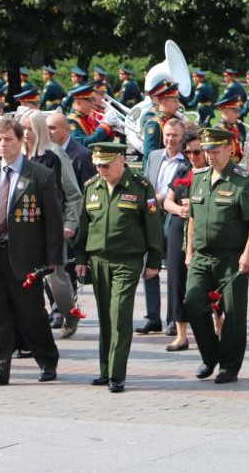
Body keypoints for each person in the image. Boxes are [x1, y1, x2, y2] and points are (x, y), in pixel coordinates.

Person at [0, 119, 64, 386]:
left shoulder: (39, 175)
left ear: (21, 141)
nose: (2, 145)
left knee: (31, 314)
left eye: (8, 139)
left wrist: (53, 258)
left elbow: (53, 221)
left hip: (26, 256)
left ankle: (47, 359)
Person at [73, 143, 164, 393]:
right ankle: (105, 369)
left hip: (128, 260)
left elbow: (153, 227)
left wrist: (154, 261)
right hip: (98, 261)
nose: (101, 169)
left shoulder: (140, 187)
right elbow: (84, 226)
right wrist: (80, 258)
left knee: (120, 314)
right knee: (105, 317)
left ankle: (117, 373)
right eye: (98, 165)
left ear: (121, 160)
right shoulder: (92, 187)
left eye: (106, 164)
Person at [183, 127, 249, 384]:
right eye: (207, 151)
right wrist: (190, 250)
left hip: (231, 257)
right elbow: (193, 217)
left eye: (215, 151)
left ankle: (229, 366)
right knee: (192, 303)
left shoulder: (244, 180)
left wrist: (248, 252)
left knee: (234, 313)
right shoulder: (199, 177)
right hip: (202, 256)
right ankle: (209, 356)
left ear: (230, 148)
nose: (210, 157)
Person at [20, 110, 84, 339]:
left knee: (55, 276)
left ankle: (69, 312)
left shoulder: (53, 155)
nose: (26, 133)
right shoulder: (17, 156)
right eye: (23, 128)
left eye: (30, 128)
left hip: (51, 225)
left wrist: (70, 222)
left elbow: (73, 193)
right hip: (23, 227)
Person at [143, 117, 187, 336]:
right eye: (167, 135)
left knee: (173, 269)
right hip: (151, 216)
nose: (170, 140)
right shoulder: (153, 156)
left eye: (175, 136)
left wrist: (161, 199)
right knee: (149, 265)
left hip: (174, 216)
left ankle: (173, 318)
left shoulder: (187, 160)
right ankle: (152, 317)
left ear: (182, 137)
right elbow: (144, 182)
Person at [162, 131, 205, 352]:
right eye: (187, 152)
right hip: (180, 229)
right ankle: (181, 334)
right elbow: (167, 202)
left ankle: (216, 329)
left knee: (207, 283)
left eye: (197, 152)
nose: (192, 156)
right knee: (177, 280)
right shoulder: (183, 171)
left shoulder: (212, 174)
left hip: (204, 232)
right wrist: (179, 209)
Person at [214, 94, 248, 163]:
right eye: (235, 112)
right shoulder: (218, 131)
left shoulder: (234, 127)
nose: (238, 115)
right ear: (224, 111)